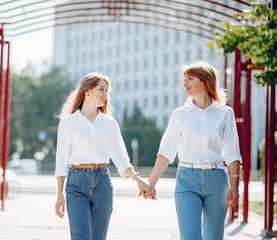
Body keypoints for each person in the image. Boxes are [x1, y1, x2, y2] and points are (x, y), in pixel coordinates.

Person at [146, 61, 241, 240]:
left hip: (217, 181)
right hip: (187, 181)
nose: (185, 84)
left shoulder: (225, 113)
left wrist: (235, 186)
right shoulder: (179, 115)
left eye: (190, 78)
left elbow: (232, 153)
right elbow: (166, 152)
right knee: (189, 236)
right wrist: (151, 183)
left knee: (214, 237)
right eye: (184, 79)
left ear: (204, 81)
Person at [54, 72, 154, 240]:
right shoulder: (68, 123)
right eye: (101, 90)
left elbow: (121, 159)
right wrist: (59, 195)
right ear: (87, 92)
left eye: (107, 91)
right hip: (76, 184)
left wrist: (138, 180)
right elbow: (61, 163)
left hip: (103, 183)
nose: (105, 95)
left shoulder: (109, 123)